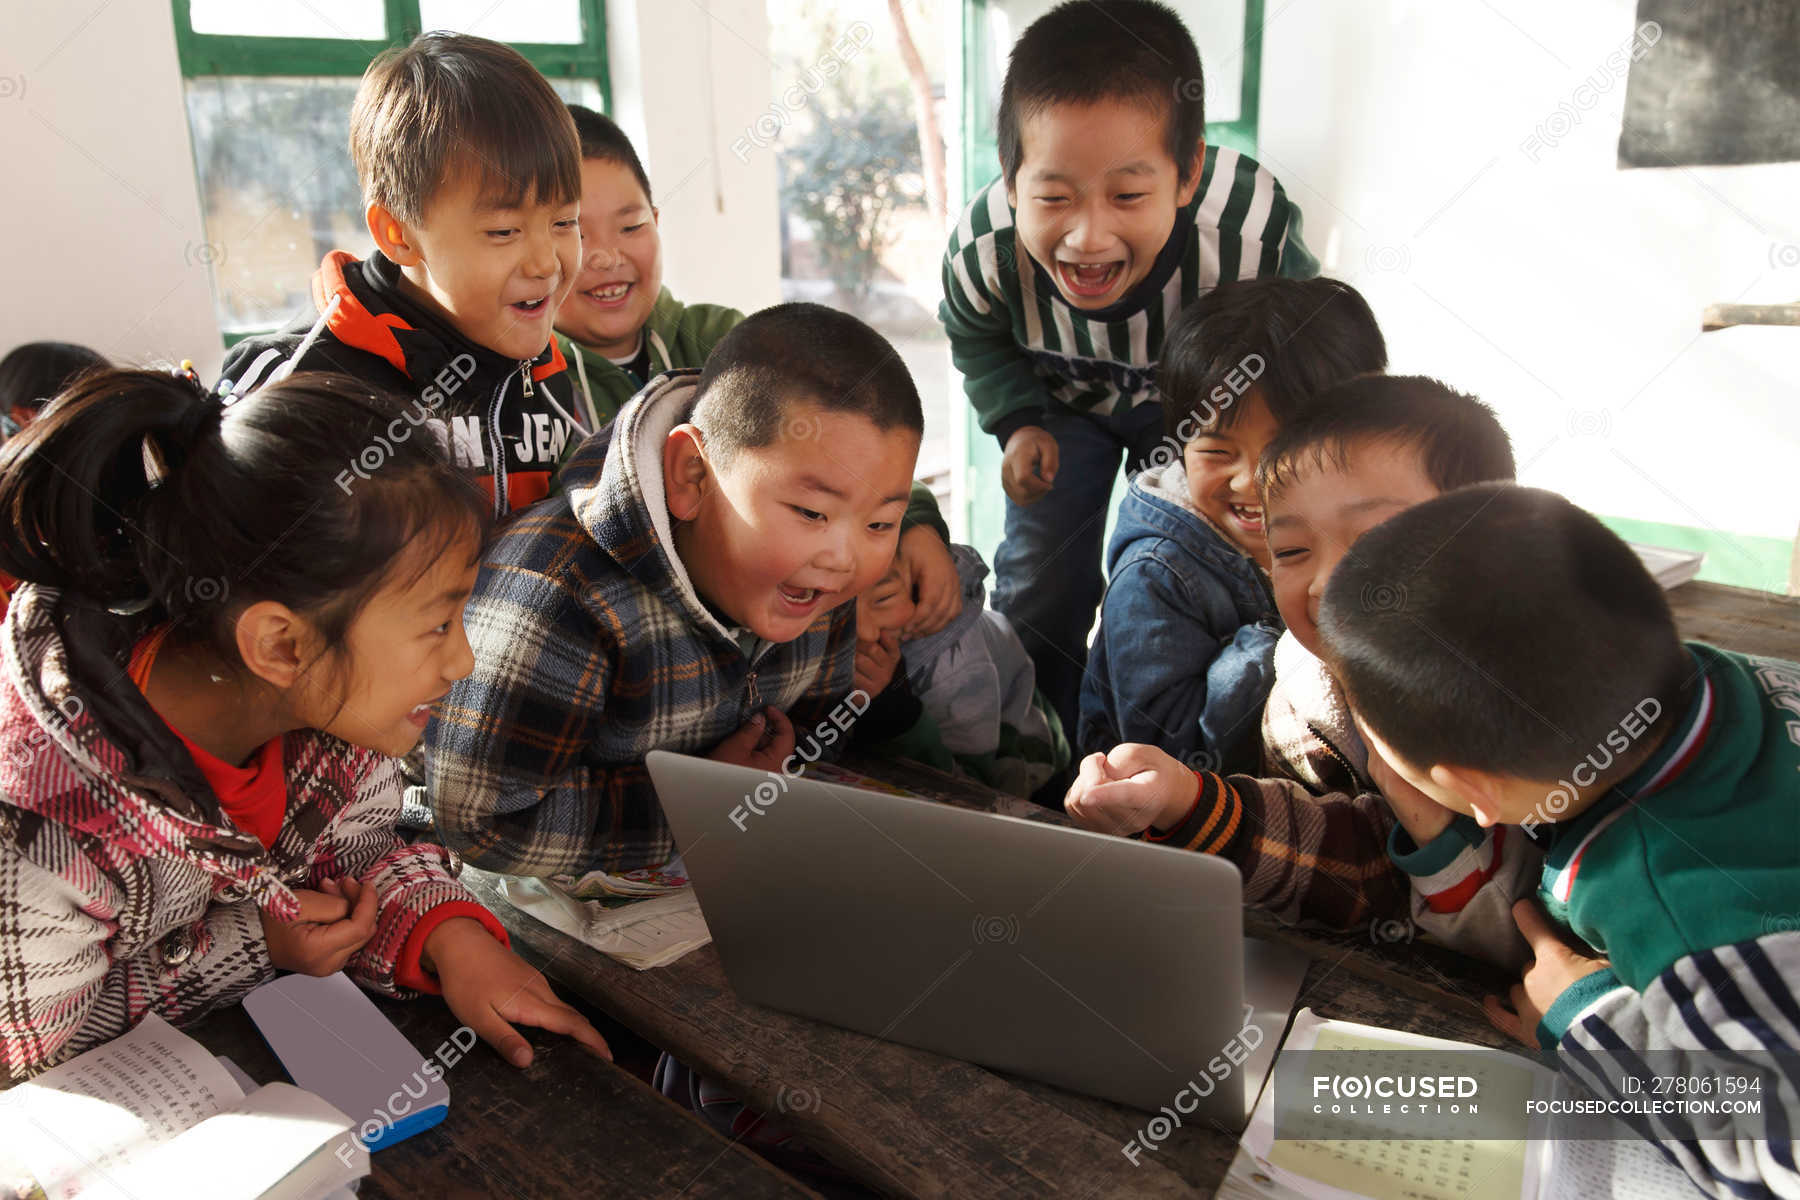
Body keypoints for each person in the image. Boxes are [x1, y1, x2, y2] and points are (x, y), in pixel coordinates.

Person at [0, 366, 609, 1080]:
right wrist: (251, 945)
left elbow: (359, 853)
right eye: (439, 624)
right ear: (281, 645)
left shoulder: (327, 711)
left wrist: (449, 935)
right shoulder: (43, 828)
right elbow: (29, 1055)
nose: (462, 662)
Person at [1319, 484, 1800, 1198]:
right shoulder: (1718, 674)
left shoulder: (1675, 910)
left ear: (1476, 791)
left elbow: (1774, 1159)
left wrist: (1592, 1017)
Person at [428, 304, 923, 877]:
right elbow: (478, 822)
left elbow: (817, 729)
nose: (845, 558)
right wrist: (699, 806)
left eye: (880, 524)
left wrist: (761, 785)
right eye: (812, 512)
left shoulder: (812, 584)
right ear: (692, 475)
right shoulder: (555, 593)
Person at [940, 0, 1317, 734]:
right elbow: (975, 336)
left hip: (1199, 415)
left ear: (1188, 172)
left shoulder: (1252, 237)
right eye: (1053, 196)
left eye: (1128, 195)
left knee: (1187, 569)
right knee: (1043, 577)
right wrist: (1016, 422)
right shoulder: (985, 252)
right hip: (1059, 408)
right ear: (1011, 179)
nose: (1087, 235)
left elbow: (1305, 348)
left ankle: (1174, 741)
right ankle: (1037, 740)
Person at [1065, 376, 1526, 945]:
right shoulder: (1305, 705)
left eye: (1373, 539)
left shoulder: (1564, 681)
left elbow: (1585, 907)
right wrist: (1187, 801)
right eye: (1292, 552)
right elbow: (1359, 871)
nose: (1324, 583)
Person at [221, 32, 587, 516]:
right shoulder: (298, 383)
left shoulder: (549, 378)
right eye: (503, 231)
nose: (546, 263)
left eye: (565, 222)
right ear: (397, 234)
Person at [1077, 277, 1385, 772]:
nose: (1251, 482)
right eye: (1218, 452)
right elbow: (1164, 754)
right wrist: (1287, 639)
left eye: (1285, 454)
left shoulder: (1360, 519)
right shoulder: (1156, 574)